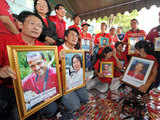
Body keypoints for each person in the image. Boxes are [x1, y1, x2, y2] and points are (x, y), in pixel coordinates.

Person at [0, 11, 57, 120]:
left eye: (40, 26)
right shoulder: (5, 42)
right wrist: (1, 71)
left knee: (52, 108)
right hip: (10, 89)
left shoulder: (43, 48)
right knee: (18, 115)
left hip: (39, 90)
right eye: (32, 24)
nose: (36, 28)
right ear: (20, 24)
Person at [58, 28, 89, 119]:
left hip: (76, 83)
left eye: (76, 36)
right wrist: (57, 60)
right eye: (72, 35)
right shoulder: (58, 50)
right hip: (64, 86)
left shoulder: (77, 51)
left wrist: (83, 78)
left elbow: (80, 69)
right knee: (75, 106)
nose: (75, 37)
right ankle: (61, 104)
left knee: (85, 99)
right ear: (66, 37)